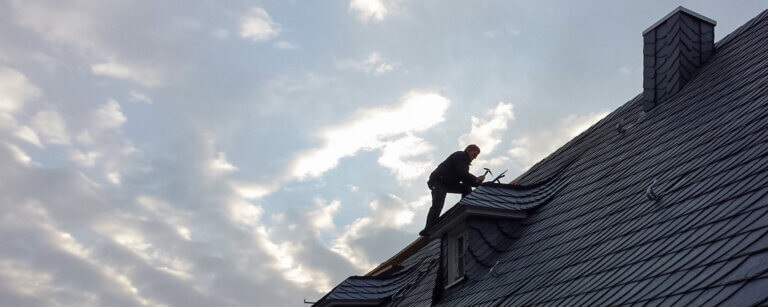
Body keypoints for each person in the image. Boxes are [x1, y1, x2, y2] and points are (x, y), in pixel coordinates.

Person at [420, 144, 485, 236]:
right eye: (474, 154)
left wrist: (477, 183)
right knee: (438, 202)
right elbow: (462, 174)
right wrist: (476, 180)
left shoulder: (464, 163)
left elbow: (465, 178)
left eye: (476, 156)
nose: (475, 158)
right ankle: (428, 228)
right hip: (438, 181)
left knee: (466, 188)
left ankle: (463, 207)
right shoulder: (460, 156)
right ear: (469, 151)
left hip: (447, 182)